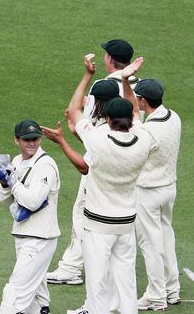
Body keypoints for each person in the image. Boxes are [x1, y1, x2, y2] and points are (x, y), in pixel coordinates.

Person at [43, 57, 154, 314]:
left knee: (97, 286)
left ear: (107, 118)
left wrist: (87, 75)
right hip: (126, 223)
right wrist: (126, 80)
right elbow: (136, 112)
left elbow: (73, 111)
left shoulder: (97, 138)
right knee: (126, 285)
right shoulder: (144, 138)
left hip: (98, 225)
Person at [47, 40, 139, 285]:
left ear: (108, 59)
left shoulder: (104, 85)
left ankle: (72, 267)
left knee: (83, 213)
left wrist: (73, 132)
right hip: (132, 160)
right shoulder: (137, 86)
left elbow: (78, 118)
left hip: (99, 159)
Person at [0, 120, 61, 314]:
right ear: (16, 141)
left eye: (35, 138)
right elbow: (6, 201)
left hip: (39, 238)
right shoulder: (17, 162)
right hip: (24, 235)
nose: (32, 143)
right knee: (37, 297)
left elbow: (33, 201)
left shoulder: (46, 165)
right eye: (26, 139)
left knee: (13, 297)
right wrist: (4, 184)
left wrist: (12, 180)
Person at [130, 79, 182, 311]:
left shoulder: (147, 131)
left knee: (150, 244)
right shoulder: (174, 117)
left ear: (143, 100)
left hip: (147, 193)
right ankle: (172, 289)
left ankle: (156, 296)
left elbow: (134, 154)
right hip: (169, 188)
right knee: (166, 238)